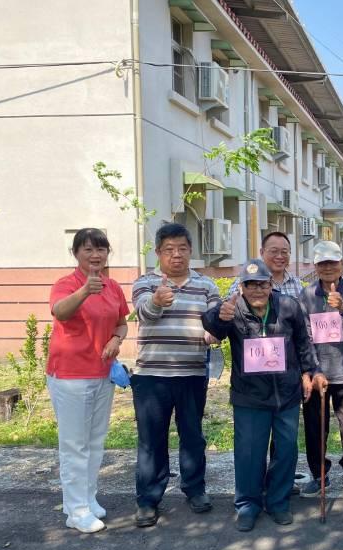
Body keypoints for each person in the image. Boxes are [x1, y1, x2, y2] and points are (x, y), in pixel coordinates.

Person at [202, 259, 326, 532]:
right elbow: (212, 327)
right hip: (249, 396)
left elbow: (304, 343)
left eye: (262, 284)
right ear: (242, 287)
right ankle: (247, 504)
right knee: (249, 453)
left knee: (286, 450)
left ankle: (278, 501)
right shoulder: (232, 309)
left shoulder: (288, 306)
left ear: (271, 285)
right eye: (250, 285)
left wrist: (311, 371)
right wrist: (218, 316)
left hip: (287, 394)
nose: (257, 290)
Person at [130, 223, 221, 527]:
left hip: (192, 373)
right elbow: (143, 312)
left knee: (192, 435)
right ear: (158, 253)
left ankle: (195, 489)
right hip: (151, 376)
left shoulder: (207, 286)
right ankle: (147, 499)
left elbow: (214, 321)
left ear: (190, 251)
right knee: (151, 440)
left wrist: (214, 333)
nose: (176, 255)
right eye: (169, 249)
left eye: (182, 248)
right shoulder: (144, 283)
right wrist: (157, 300)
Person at [46, 228, 129, 533]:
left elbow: (122, 323)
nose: (96, 255)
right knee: (74, 445)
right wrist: (84, 291)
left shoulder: (113, 286)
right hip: (70, 375)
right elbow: (60, 312)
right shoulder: (67, 284)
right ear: (76, 253)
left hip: (102, 372)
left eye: (101, 249)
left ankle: (88, 499)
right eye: (88, 250)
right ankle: (75, 510)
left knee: (95, 442)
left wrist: (116, 340)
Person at [298, 241, 343, 498]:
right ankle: (319, 475)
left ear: (342, 264)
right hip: (319, 373)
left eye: (333, 262)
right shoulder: (306, 295)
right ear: (316, 266)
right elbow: (303, 336)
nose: (328, 267)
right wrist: (311, 370)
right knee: (315, 428)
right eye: (322, 263)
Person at [228, 231, 303, 298]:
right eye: (274, 251)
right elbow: (231, 308)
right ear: (262, 252)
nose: (279, 256)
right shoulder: (245, 282)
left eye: (284, 252)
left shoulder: (296, 283)